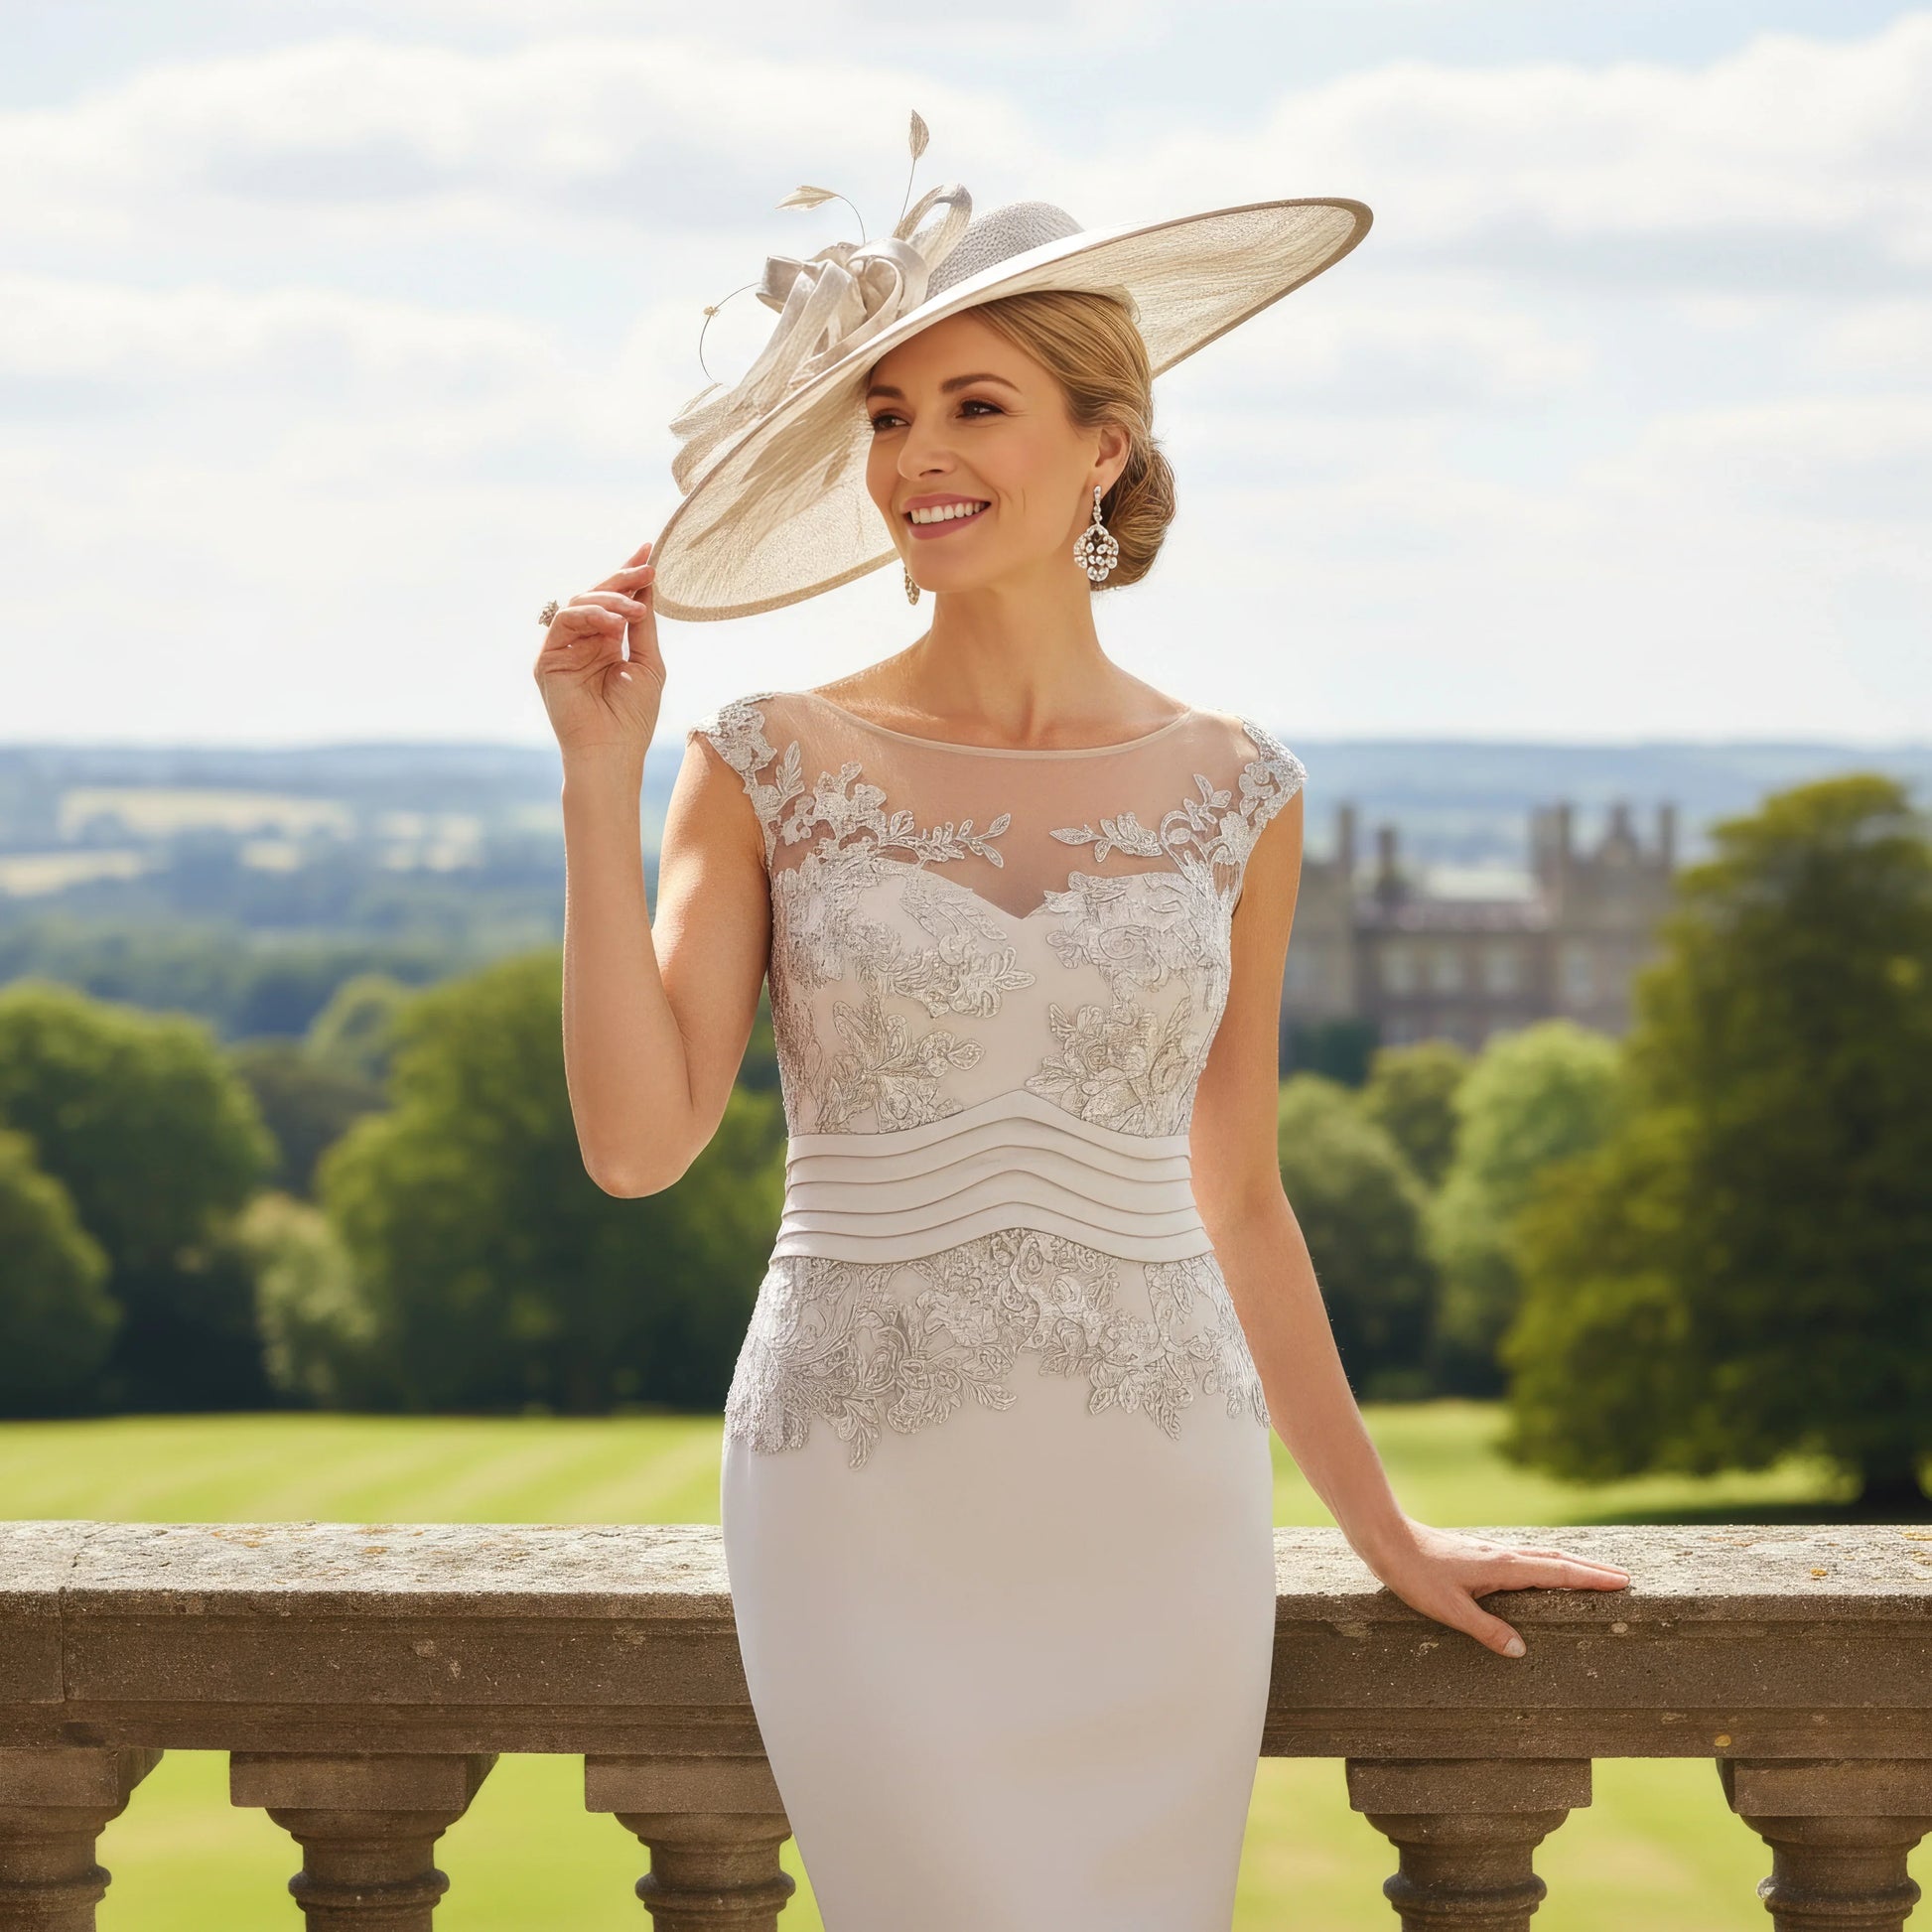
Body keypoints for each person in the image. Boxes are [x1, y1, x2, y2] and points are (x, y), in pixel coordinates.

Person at [534, 129, 1629, 1931]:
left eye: (976, 405)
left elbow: (1241, 1191)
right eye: (886, 415)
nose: (920, 457)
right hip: (857, 1474)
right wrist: (596, 784)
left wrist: (1379, 1529)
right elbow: (638, 1145)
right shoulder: (761, 760)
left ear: (1102, 445)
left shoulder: (1236, 788)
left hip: (1155, 1482)